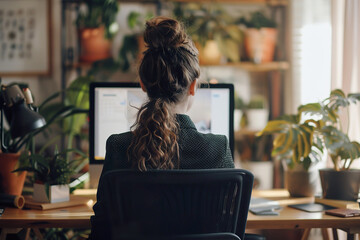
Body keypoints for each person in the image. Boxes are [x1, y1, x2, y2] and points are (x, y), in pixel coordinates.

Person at [89, 16, 234, 239]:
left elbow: (102, 229)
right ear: (193, 86)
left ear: (143, 85)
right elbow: (228, 223)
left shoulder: (118, 146)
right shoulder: (218, 149)